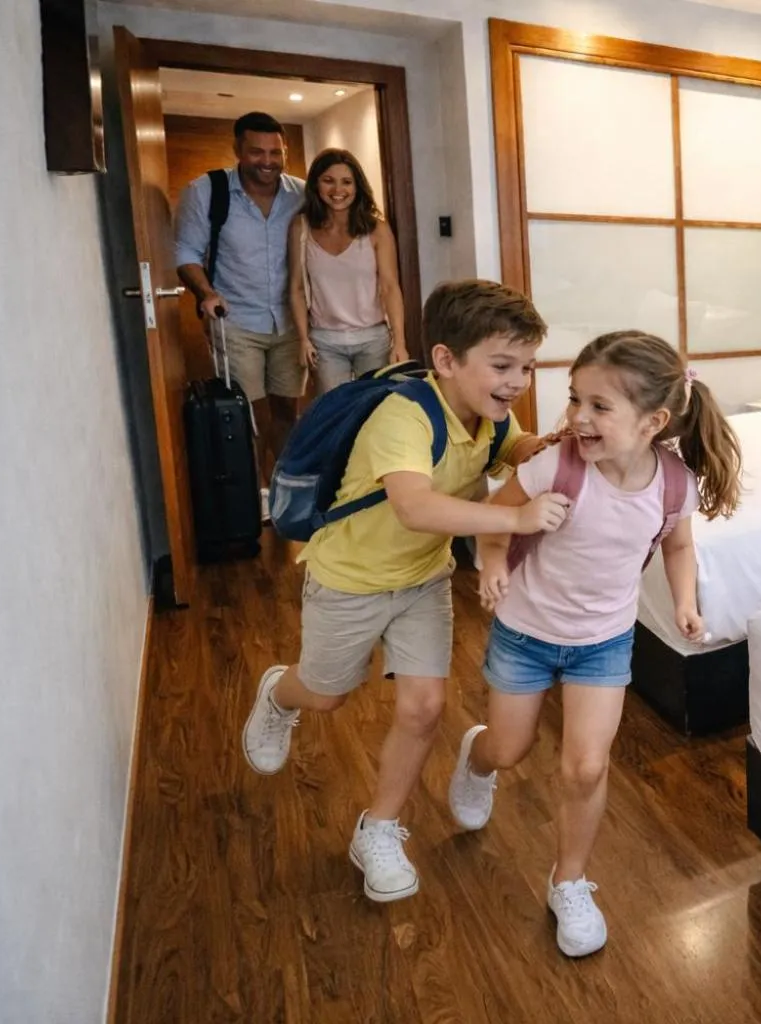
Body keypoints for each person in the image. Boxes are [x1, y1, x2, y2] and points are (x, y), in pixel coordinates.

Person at [239, 280, 570, 903]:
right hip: (351, 581)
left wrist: (548, 447)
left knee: (423, 708)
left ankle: (380, 828)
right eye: (503, 366)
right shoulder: (405, 415)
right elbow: (415, 507)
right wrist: (516, 520)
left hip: (423, 581)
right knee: (327, 696)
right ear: (447, 361)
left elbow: (510, 449)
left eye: (527, 366)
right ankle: (281, 693)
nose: (518, 380)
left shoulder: (488, 409)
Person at [447, 331, 742, 957]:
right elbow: (499, 519)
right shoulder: (555, 464)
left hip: (602, 645)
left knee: (585, 767)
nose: (578, 417)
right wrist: (492, 564)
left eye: (600, 407)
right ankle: (478, 758)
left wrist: (686, 602)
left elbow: (678, 544)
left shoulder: (673, 484)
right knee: (510, 746)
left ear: (653, 422)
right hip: (525, 634)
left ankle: (570, 881)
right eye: (576, 398)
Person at [174, 111, 305, 499]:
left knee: (286, 409)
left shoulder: (301, 193)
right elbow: (185, 251)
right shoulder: (206, 191)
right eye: (256, 152)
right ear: (237, 150)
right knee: (247, 412)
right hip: (237, 320)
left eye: (275, 152)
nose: (267, 161)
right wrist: (206, 293)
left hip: (290, 322)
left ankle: (282, 486)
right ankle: (251, 490)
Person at [289, 148, 407, 394]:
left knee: (373, 408)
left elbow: (390, 287)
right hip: (324, 341)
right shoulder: (301, 227)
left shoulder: (377, 230)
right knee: (334, 413)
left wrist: (400, 342)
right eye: (328, 181)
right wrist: (303, 339)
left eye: (346, 182)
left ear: (357, 186)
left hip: (373, 339)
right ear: (316, 185)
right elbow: (297, 287)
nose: (337, 190)